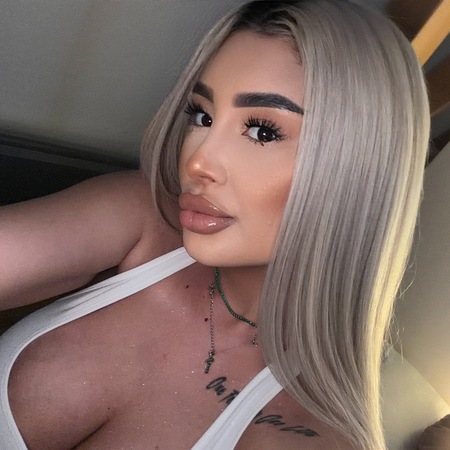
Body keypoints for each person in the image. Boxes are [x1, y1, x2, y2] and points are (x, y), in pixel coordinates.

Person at [0, 0, 429, 449]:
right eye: (203, 116)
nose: (198, 160)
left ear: (359, 173)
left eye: (263, 131)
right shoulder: (144, 216)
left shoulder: (309, 437)